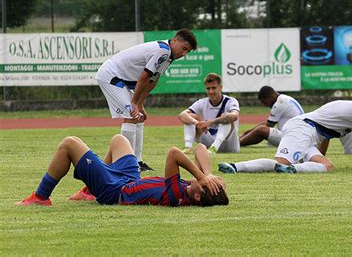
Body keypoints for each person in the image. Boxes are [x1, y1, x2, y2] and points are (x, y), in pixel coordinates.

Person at [16, 134, 228, 207]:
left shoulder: (177, 196)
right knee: (119, 140)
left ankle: (41, 197)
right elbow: (200, 148)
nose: (196, 180)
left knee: (69, 144)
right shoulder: (195, 190)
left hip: (115, 191)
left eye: (200, 183)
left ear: (197, 196)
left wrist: (202, 176)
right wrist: (207, 174)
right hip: (129, 180)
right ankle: (89, 191)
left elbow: (173, 153)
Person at [96, 28, 197, 171]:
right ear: (174, 40)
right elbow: (144, 77)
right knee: (131, 115)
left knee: (139, 116)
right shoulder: (163, 51)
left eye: (187, 51)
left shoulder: (169, 55)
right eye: (184, 48)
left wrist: (140, 104)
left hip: (121, 79)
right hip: (111, 75)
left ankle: (137, 162)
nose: (184, 53)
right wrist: (135, 103)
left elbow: (153, 79)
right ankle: (126, 164)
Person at [218, 100, 352, 174]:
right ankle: (235, 167)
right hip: (303, 129)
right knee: (281, 163)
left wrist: (321, 155)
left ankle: (294, 169)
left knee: (327, 165)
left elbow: (326, 135)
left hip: (308, 132)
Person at [178, 73, 240, 154]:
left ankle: (214, 148)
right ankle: (188, 147)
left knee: (226, 117)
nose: (211, 92)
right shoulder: (202, 102)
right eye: (208, 88)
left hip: (229, 146)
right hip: (208, 144)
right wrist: (197, 123)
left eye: (214, 88)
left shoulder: (231, 101)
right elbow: (182, 115)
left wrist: (210, 122)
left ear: (220, 88)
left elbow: (234, 116)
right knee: (189, 118)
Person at [239, 86, 304, 147]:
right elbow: (268, 122)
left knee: (262, 130)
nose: (266, 106)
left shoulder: (280, 103)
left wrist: (245, 134)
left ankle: (237, 144)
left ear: (272, 97)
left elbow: (268, 125)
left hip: (293, 138)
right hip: (298, 135)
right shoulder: (285, 98)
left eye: (266, 103)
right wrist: (246, 133)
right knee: (268, 137)